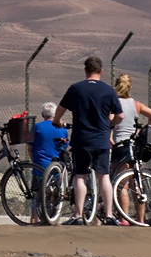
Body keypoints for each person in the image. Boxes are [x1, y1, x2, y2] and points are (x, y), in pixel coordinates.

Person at [53, 56, 124, 226]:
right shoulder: (109, 91)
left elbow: (60, 109)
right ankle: (108, 215)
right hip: (101, 140)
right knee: (104, 176)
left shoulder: (76, 89)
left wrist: (56, 121)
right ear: (101, 71)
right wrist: (110, 125)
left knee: (80, 176)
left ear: (85, 70)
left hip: (82, 139)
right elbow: (120, 116)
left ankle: (77, 215)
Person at [110, 73, 151, 225]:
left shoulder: (114, 103)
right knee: (137, 184)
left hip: (120, 145)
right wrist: (142, 131)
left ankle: (124, 218)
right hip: (134, 146)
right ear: (130, 87)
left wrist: (110, 134)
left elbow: (110, 121)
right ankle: (140, 219)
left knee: (122, 185)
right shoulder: (135, 104)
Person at [29, 101, 69, 222]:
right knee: (52, 196)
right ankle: (51, 218)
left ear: (42, 114)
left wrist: (34, 162)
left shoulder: (36, 128)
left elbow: (30, 148)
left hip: (39, 167)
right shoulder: (62, 129)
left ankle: (34, 219)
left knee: (37, 195)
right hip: (56, 169)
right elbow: (64, 148)